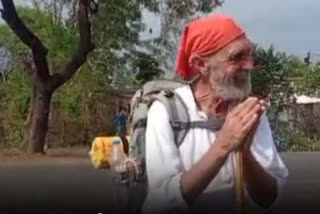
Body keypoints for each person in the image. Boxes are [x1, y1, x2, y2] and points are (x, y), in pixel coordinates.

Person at [142, 14, 288, 214]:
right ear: (201, 64)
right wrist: (223, 145)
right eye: (236, 57)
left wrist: (244, 154)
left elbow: (270, 198)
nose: (249, 65)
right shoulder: (167, 112)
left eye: (249, 55)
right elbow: (162, 203)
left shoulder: (248, 111)